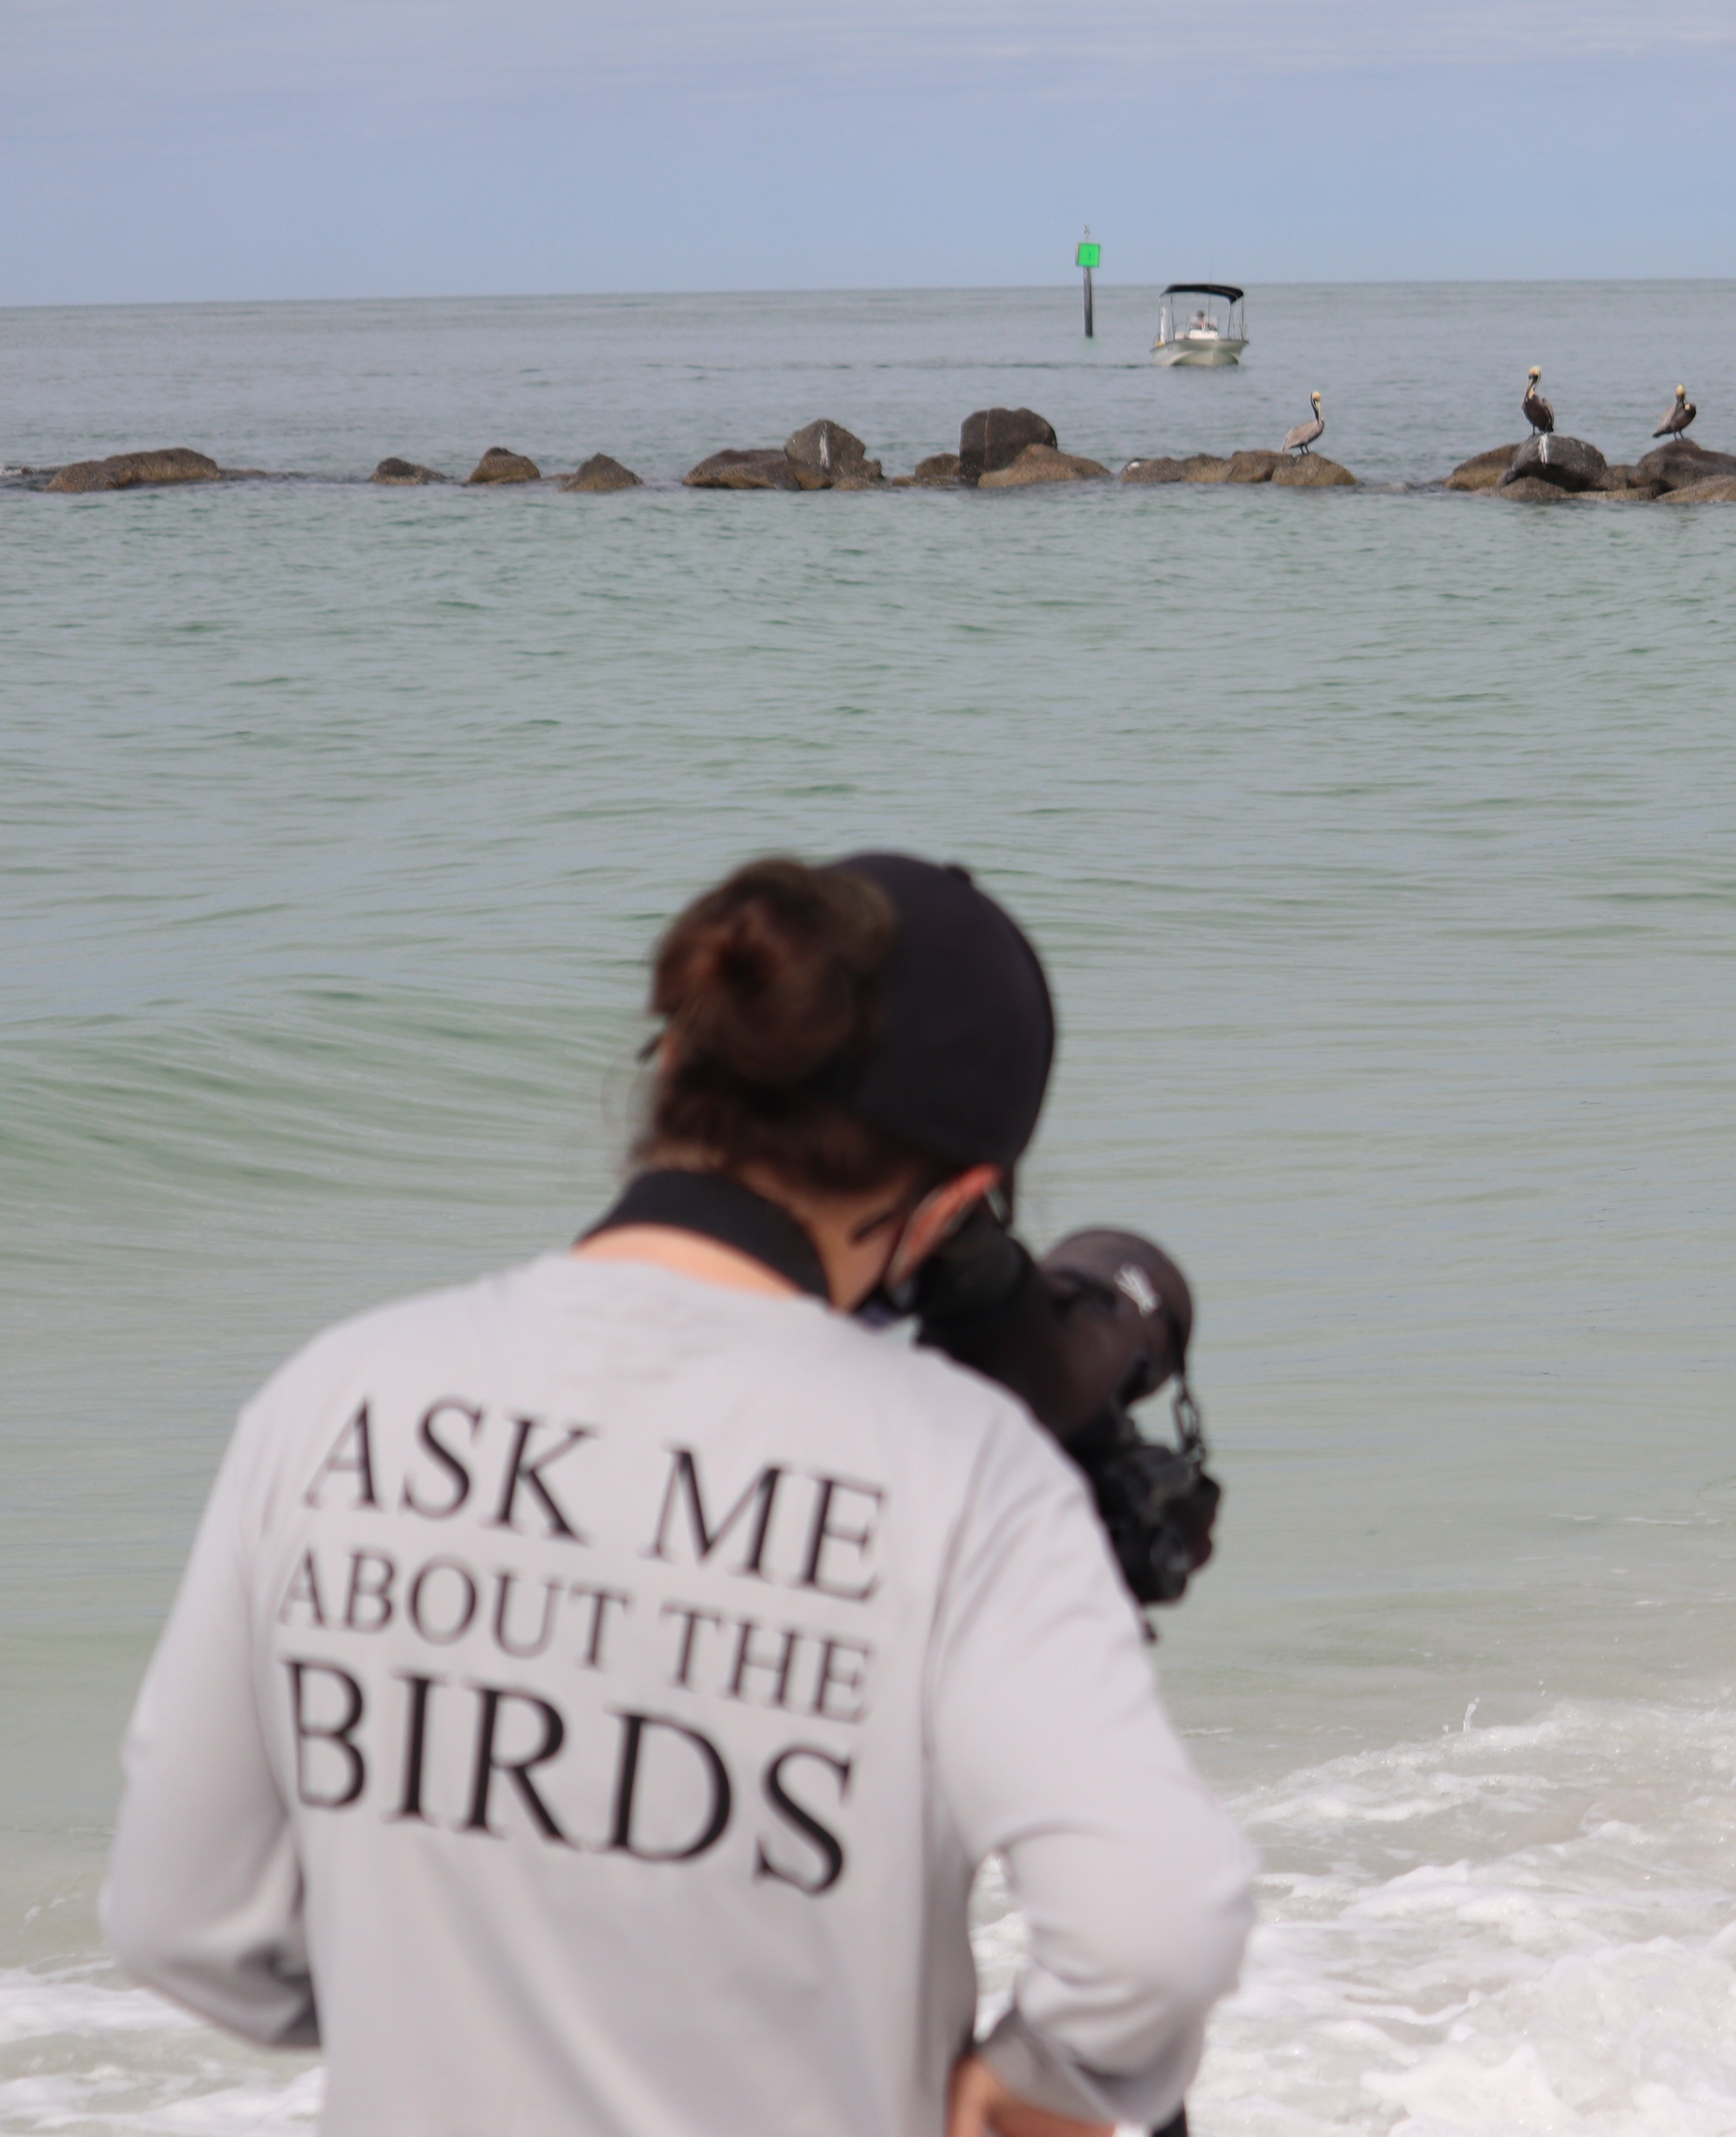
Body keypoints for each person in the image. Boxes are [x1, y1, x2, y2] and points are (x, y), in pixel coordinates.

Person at [103, 853, 1253, 2137]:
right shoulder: (968, 1469)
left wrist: (458, 2004)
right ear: (957, 1208)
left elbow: (180, 1918)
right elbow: (1154, 1930)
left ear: (668, 1072)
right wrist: (1021, 2090)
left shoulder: (330, 1399)